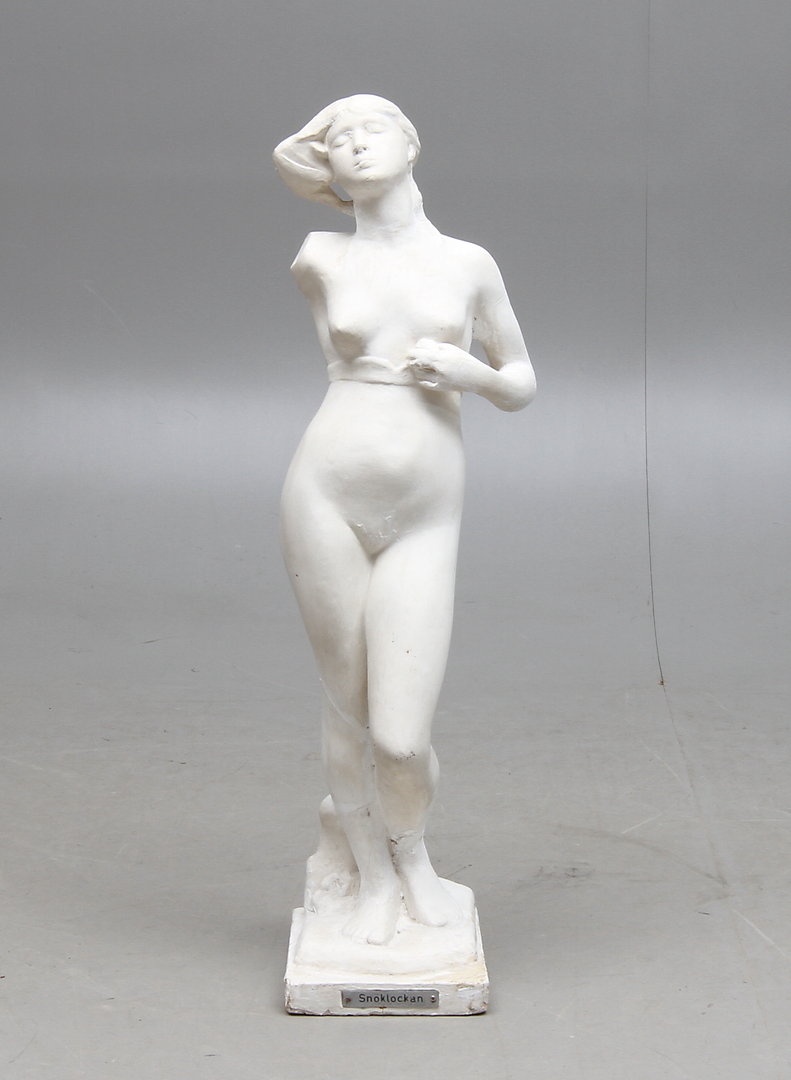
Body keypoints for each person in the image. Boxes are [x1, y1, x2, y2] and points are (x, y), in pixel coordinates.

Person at [274, 96, 535, 946]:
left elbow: (521, 379)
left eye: (372, 129)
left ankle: (412, 852)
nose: (354, 144)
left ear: (413, 143)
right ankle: (373, 874)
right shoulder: (320, 256)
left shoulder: (467, 264)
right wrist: (323, 156)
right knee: (345, 704)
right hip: (325, 492)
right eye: (339, 141)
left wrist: (471, 373)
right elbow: (288, 153)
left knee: (399, 735)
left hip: (424, 511)